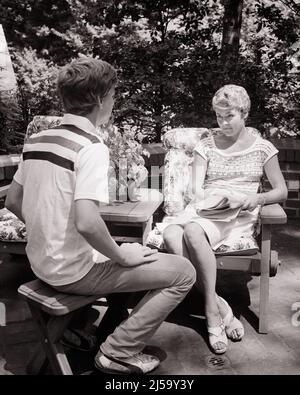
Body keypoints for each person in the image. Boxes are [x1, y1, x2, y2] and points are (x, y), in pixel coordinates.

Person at [5, 57, 196, 374]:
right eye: (113, 95)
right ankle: (118, 351)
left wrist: (48, 227)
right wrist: (122, 256)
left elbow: (14, 201)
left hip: (40, 263)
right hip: (72, 272)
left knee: (131, 250)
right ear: (99, 99)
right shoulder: (90, 146)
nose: (114, 101)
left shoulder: (38, 140)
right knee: (183, 272)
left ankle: (99, 332)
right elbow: (87, 222)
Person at [163, 84, 287, 354]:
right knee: (171, 234)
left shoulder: (263, 148)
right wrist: (203, 196)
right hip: (208, 208)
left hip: (239, 212)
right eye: (219, 117)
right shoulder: (205, 146)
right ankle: (218, 304)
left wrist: (256, 199)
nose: (223, 123)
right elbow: (195, 187)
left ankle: (211, 313)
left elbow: (281, 190)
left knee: (192, 232)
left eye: (229, 116)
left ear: (244, 114)